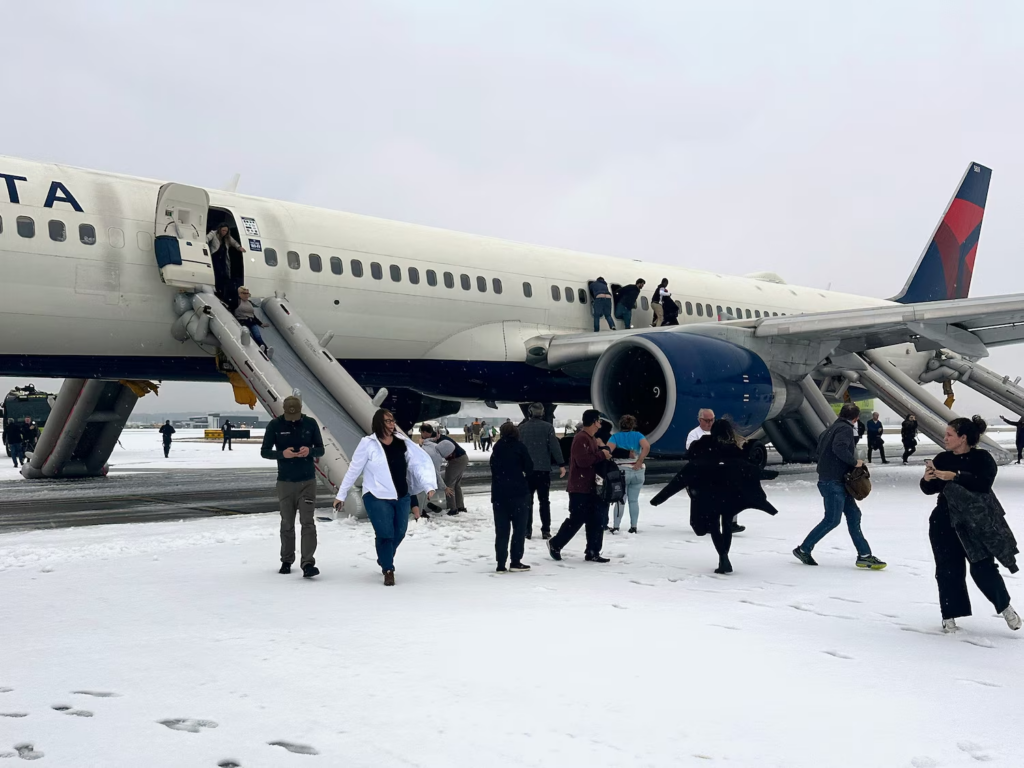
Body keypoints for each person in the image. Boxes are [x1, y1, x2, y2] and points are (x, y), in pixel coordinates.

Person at [921, 416, 1021, 633]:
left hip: (975, 522)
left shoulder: (982, 458)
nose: (945, 438)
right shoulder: (942, 458)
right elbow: (929, 489)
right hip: (944, 520)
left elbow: (984, 484)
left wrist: (956, 476)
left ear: (963, 438)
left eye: (949, 434)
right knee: (947, 569)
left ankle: (1005, 607)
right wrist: (928, 479)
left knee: (983, 567)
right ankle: (949, 617)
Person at [651, 420, 779, 573]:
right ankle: (724, 557)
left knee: (713, 525)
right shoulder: (735, 449)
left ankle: (722, 556)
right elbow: (748, 469)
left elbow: (684, 475)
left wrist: (660, 498)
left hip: (709, 494)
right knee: (726, 524)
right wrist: (768, 476)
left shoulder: (702, 447)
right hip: (730, 494)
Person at [334, 409, 437, 586]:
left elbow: (417, 465)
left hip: (402, 496)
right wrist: (341, 495)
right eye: (388, 421)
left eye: (392, 421)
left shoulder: (401, 442)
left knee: (400, 532)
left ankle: (384, 555)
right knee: (385, 533)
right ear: (378, 423)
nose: (392, 424)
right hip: (376, 496)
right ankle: (388, 569)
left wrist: (428, 485)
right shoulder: (367, 444)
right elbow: (353, 470)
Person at [793, 403, 887, 570]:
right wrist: (854, 462)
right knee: (832, 519)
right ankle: (803, 549)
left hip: (835, 481)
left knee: (854, 515)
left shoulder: (828, 430)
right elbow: (839, 448)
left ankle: (864, 555)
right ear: (856, 418)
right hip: (833, 482)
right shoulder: (844, 429)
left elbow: (821, 451)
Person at [261, 396, 325, 578]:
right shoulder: (275, 426)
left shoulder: (311, 424)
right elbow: (264, 451)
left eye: (296, 416)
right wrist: (282, 454)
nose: (293, 420)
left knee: (308, 523)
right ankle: (286, 560)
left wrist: (310, 451)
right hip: (285, 482)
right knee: (287, 523)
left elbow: (321, 449)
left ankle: (307, 563)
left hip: (307, 481)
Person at [548, 409, 613, 563]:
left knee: (595, 519)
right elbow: (583, 461)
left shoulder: (591, 438)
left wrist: (602, 449)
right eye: (598, 421)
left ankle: (593, 551)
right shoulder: (581, 439)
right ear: (593, 421)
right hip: (579, 486)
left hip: (592, 486)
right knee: (577, 518)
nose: (600, 424)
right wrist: (602, 454)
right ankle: (555, 543)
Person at [490, 422, 534, 573]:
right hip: (518, 493)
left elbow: (493, 467)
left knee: (502, 531)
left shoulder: (497, 447)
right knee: (519, 529)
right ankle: (515, 561)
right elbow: (529, 467)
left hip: (499, 494)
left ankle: (501, 563)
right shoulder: (520, 447)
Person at [518, 402, 566, 540]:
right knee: (544, 501)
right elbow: (554, 447)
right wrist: (561, 464)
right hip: (543, 470)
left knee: (528, 501)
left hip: (527, 471)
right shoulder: (548, 427)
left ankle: (527, 530)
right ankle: (546, 530)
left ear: (530, 413)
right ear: (543, 413)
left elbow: (519, 449)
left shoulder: (522, 428)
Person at [607, 414, 650, 533]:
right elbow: (646, 447)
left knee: (620, 499)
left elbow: (608, 450)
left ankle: (616, 526)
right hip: (638, 469)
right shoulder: (638, 435)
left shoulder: (615, 437)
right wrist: (639, 460)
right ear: (633, 425)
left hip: (622, 470)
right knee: (634, 500)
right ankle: (634, 526)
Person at [417, 423, 458, 514]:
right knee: (423, 490)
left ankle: (420, 509)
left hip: (418, 469)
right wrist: (444, 487)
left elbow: (426, 440)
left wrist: (434, 439)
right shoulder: (436, 457)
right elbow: (435, 473)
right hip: (419, 472)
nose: (450, 455)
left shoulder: (433, 446)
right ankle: (419, 513)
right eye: (449, 453)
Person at [206, 223, 245, 300]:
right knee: (217, 272)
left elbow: (233, 242)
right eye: (223, 230)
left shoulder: (227, 238)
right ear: (220, 229)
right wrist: (205, 243)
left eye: (226, 231)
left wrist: (239, 247)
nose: (224, 232)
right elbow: (207, 238)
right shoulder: (213, 233)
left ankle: (221, 292)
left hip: (223, 257)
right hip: (215, 255)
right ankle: (216, 289)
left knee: (224, 274)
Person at [234, 286, 271, 356]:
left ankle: (266, 350)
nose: (246, 295)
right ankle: (257, 349)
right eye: (244, 293)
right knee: (249, 336)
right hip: (242, 321)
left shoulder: (249, 302)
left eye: (247, 293)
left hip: (251, 321)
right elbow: (232, 310)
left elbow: (253, 315)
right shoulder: (237, 302)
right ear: (239, 294)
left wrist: (260, 323)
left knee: (257, 336)